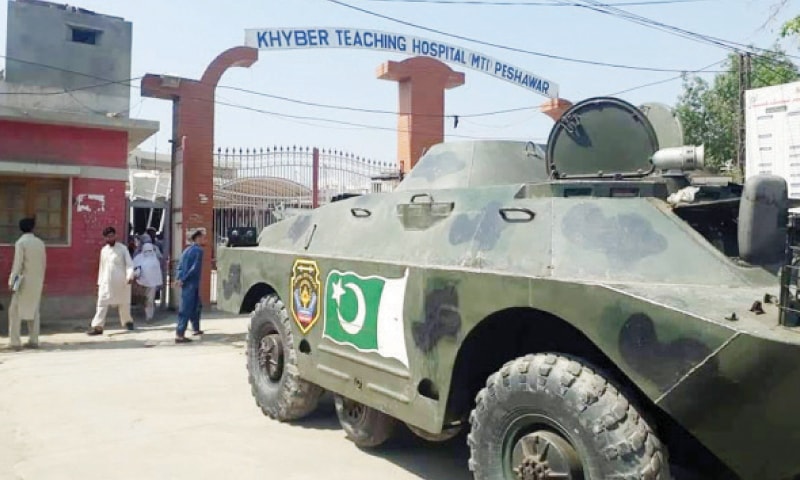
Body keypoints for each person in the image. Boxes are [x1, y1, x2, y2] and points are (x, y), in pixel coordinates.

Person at [7, 218, 46, 350]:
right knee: (34, 310)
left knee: (15, 311)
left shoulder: (21, 243)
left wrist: (12, 282)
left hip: (23, 281)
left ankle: (15, 342)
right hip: (37, 281)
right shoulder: (40, 243)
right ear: (33, 228)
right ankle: (34, 340)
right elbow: (43, 264)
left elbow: (18, 265)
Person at [88, 226, 135, 335]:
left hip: (121, 282)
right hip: (106, 282)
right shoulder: (104, 250)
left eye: (112, 235)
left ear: (115, 235)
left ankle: (128, 322)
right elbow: (102, 267)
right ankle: (98, 327)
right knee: (101, 303)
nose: (110, 238)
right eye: (108, 237)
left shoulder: (123, 249)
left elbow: (129, 264)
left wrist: (130, 276)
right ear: (105, 238)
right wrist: (99, 283)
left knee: (124, 304)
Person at [174, 229, 206, 343]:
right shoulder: (198, 251)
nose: (204, 239)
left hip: (188, 282)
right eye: (202, 237)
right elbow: (195, 268)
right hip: (191, 282)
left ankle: (195, 328)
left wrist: (179, 278)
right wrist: (183, 279)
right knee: (186, 308)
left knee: (196, 306)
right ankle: (180, 334)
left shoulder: (186, 250)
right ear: (197, 238)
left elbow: (180, 266)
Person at [133, 242, 163, 323]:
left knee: (150, 300)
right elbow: (134, 267)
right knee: (143, 300)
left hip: (152, 284)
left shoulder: (155, 259)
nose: (148, 252)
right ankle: (142, 313)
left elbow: (158, 272)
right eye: (146, 250)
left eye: (150, 250)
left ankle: (149, 316)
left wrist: (159, 283)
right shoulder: (138, 258)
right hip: (140, 283)